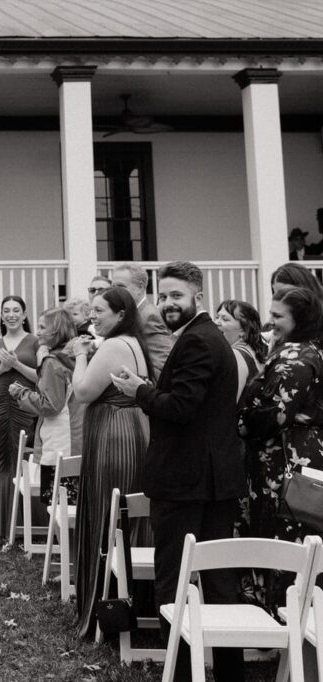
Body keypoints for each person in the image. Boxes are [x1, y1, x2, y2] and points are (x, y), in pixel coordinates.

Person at [112, 261, 246, 682]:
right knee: (219, 582)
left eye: (177, 296)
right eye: (164, 296)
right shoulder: (203, 337)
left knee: (176, 584)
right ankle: (227, 673)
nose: (169, 304)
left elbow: (181, 408)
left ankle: (184, 673)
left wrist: (140, 391)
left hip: (187, 483)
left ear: (197, 298)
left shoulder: (197, 342)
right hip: (209, 480)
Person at [69, 287, 152, 638]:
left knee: (108, 512)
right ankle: (131, 606)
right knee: (124, 514)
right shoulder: (133, 342)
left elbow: (83, 392)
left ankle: (104, 611)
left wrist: (79, 356)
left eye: (99, 311)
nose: (93, 317)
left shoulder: (116, 345)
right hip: (129, 430)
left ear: (121, 314)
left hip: (113, 437)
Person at [237, 286, 323, 615]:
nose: (270, 322)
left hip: (283, 458)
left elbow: (276, 412)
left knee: (282, 533)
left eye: (277, 316)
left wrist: (240, 421)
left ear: (299, 320)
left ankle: (280, 617)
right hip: (293, 452)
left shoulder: (298, 356)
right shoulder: (305, 349)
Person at [0, 295, 39, 539]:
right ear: (1, 316)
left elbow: (42, 377)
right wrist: (1, 368)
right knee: (3, 463)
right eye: (6, 310)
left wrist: (17, 365)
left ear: (24, 315)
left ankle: (27, 522)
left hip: (27, 406)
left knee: (23, 460)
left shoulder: (35, 342)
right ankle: (6, 526)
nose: (11, 314)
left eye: (16, 310)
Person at [9, 308, 79, 507]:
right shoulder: (75, 358)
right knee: (72, 497)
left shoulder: (52, 362)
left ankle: (58, 538)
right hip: (75, 432)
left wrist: (21, 394)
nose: (37, 332)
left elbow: (50, 405)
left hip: (58, 437)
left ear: (56, 330)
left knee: (55, 501)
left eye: (42, 327)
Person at [111, 263, 173, 375]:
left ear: (140, 287)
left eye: (120, 287)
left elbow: (161, 365)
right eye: (113, 287)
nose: (115, 292)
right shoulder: (127, 315)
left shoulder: (149, 316)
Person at [214, 300, 268, 399]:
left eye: (225, 319)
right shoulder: (253, 350)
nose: (216, 322)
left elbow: (228, 402)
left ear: (244, 330)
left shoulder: (236, 355)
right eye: (217, 317)